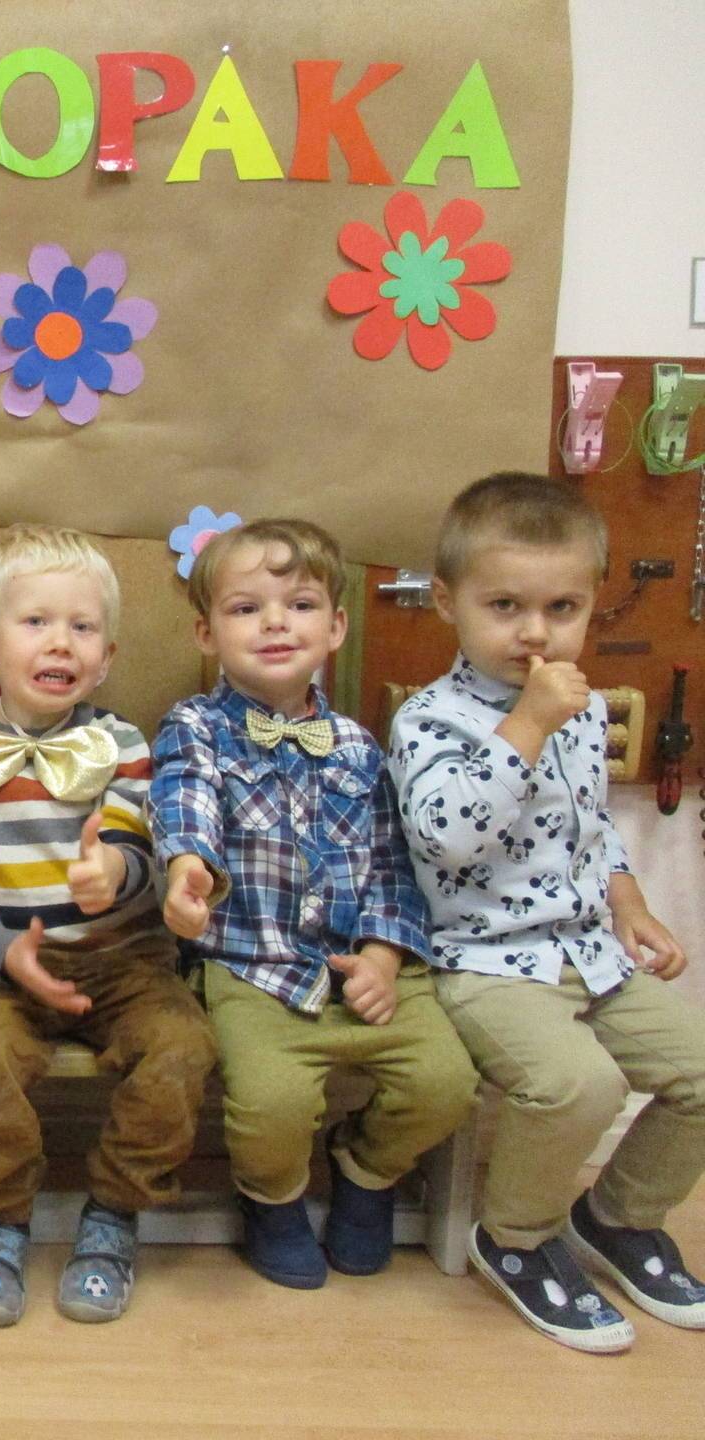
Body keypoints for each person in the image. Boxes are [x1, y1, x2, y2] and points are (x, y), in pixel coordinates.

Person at [390, 472, 705, 1352]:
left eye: (561, 607)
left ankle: (618, 1217)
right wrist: (526, 725)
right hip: (484, 963)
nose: (534, 632)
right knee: (581, 1085)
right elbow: (447, 840)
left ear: (592, 603)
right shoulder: (430, 719)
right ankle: (516, 1238)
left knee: (700, 1073)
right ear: (448, 603)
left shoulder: (582, 709)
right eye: (505, 606)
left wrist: (630, 903)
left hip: (590, 952)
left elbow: (589, 827)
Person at [151, 518, 476, 1290]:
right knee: (269, 1105)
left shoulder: (360, 745)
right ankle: (273, 1198)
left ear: (335, 627)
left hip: (359, 960)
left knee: (444, 1083)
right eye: (246, 609)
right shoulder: (194, 727)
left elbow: (392, 863)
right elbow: (183, 800)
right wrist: (188, 869)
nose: (274, 623)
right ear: (207, 634)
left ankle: (366, 1170)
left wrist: (384, 956)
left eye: (298, 605)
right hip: (252, 965)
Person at [0, 523, 215, 1326]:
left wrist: (114, 869)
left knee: (183, 1047)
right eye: (36, 621)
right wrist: (1, 951)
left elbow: (142, 843)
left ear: (106, 657)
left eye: (82, 628)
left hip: (123, 962)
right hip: (0, 970)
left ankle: (114, 1214)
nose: (60, 642)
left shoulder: (121, 743)